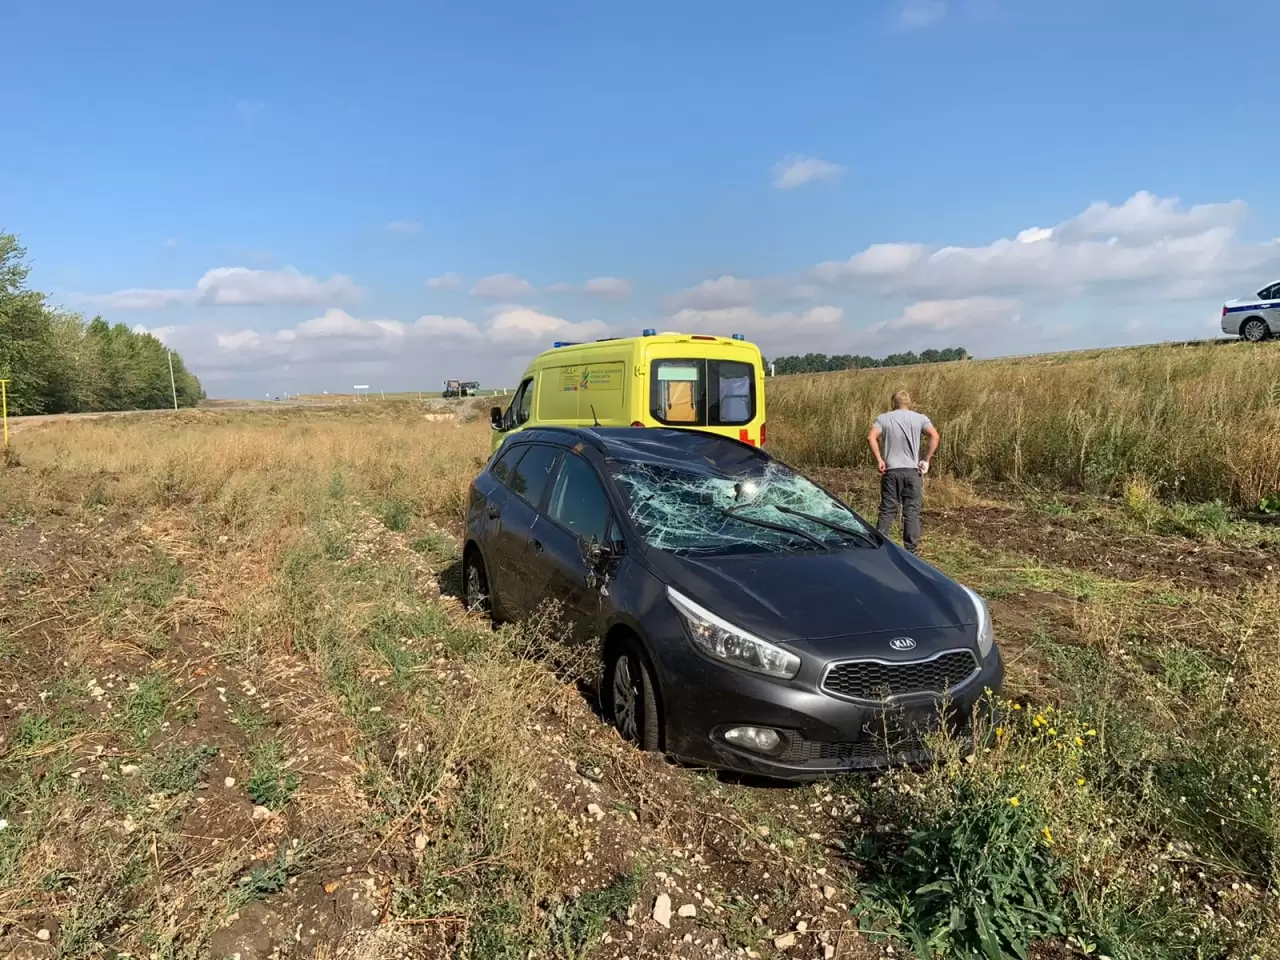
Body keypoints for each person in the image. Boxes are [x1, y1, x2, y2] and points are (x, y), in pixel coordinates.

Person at [867, 390, 939, 554]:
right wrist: (926, 459)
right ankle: (911, 550)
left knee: (887, 509)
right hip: (912, 471)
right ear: (910, 403)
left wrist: (879, 459)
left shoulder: (883, 418)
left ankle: (879, 546)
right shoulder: (920, 418)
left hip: (891, 471)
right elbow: (934, 436)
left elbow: (871, 437)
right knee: (911, 511)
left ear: (893, 402)